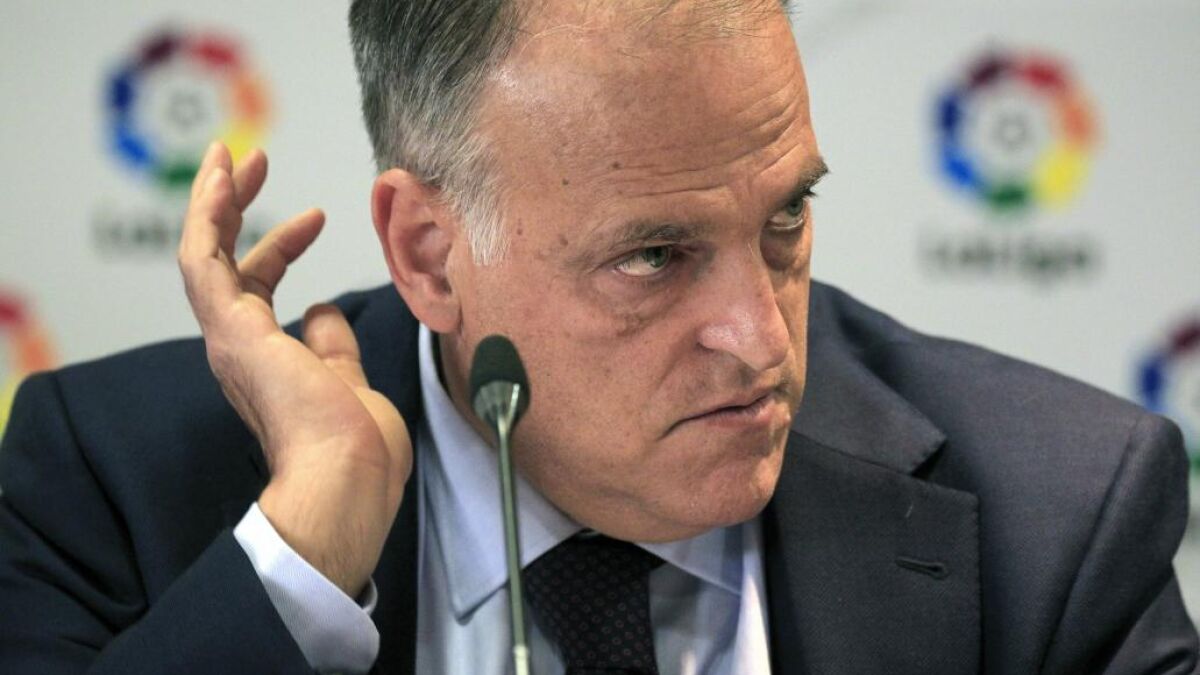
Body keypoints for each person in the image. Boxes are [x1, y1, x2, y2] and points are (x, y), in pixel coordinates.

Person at [0, 0, 1196, 673]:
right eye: (655, 257)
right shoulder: (114, 482)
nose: (760, 339)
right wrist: (302, 558)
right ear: (429, 254)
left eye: (786, 218)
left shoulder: (1063, 516)